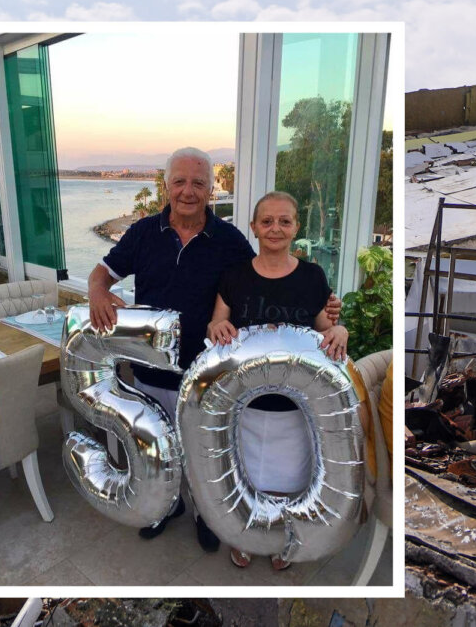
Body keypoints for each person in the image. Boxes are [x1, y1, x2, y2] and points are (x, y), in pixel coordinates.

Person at [87, 147, 339, 551]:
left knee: (205, 455)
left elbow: (261, 279)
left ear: (210, 189)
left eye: (199, 183)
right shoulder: (142, 233)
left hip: (208, 376)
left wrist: (318, 307)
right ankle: (165, 508)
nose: (189, 191)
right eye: (180, 182)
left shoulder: (229, 239)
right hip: (151, 369)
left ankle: (207, 514)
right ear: (167, 185)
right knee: (159, 451)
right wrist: (97, 290)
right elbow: (104, 271)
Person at [206, 190, 348, 571]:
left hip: (296, 409)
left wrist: (341, 331)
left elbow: (325, 328)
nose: (275, 228)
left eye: (285, 221)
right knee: (247, 477)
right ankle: (247, 538)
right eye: (267, 221)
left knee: (292, 479)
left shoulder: (313, 275)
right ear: (253, 227)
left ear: (296, 227)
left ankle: (285, 541)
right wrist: (218, 325)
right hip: (246, 405)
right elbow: (217, 322)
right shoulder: (234, 276)